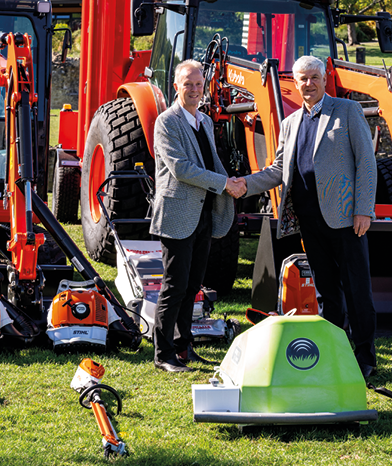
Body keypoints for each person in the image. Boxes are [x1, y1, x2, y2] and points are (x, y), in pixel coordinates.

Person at [235, 55, 378, 378]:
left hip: (345, 220)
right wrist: (243, 184)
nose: (309, 84)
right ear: (295, 83)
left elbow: (366, 164)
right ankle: (334, 350)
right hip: (309, 222)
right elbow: (277, 170)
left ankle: (365, 357)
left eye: (314, 77)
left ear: (325, 78)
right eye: (303, 79)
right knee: (327, 291)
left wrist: (363, 210)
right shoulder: (290, 123)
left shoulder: (347, 111)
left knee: (356, 289)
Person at [150, 59, 245, 373]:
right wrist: (224, 184)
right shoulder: (167, 121)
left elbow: (212, 162)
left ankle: (183, 347)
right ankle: (163, 355)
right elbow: (181, 168)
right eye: (187, 84)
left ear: (205, 87)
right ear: (176, 86)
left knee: (193, 287)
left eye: (198, 84)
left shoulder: (203, 120)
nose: (193, 89)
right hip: (178, 214)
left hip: (204, 213)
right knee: (174, 286)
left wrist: (237, 184)